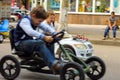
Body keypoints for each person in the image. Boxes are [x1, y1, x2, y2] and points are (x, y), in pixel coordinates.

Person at [13, 6, 61, 71]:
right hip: (20, 44)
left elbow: (46, 27)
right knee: (40, 43)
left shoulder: (35, 20)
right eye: (39, 21)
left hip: (29, 42)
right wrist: (44, 37)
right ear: (33, 15)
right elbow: (30, 31)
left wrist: (55, 33)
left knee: (50, 41)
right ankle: (53, 64)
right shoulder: (25, 21)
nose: (40, 23)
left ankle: (52, 61)